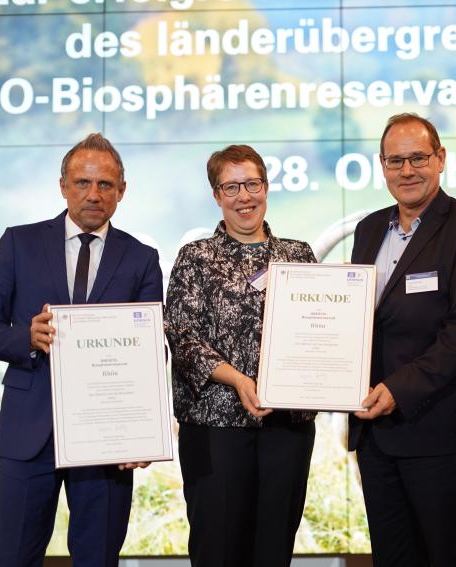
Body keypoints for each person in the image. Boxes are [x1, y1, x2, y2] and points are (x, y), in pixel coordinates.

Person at [0, 133, 164, 566]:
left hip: (108, 443)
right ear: (63, 185)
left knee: (98, 560)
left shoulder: (142, 258)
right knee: (13, 558)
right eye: (82, 182)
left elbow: (152, 354)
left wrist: (144, 432)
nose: (94, 194)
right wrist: (26, 338)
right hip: (28, 433)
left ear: (122, 191)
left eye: (106, 185)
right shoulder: (19, 242)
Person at [348, 113, 456, 566]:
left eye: (418, 158)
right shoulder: (369, 229)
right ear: (381, 165)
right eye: (396, 160)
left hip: (436, 432)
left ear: (440, 160)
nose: (407, 170)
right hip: (375, 434)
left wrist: (399, 389)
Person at [164, 144, 317, 567]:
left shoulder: (298, 254)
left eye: (252, 184)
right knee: (218, 549)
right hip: (216, 430)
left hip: (287, 428)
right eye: (231, 187)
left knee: (273, 549)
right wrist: (237, 379)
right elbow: (181, 335)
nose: (244, 196)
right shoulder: (195, 258)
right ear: (216, 195)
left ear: (266, 187)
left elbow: (321, 329)